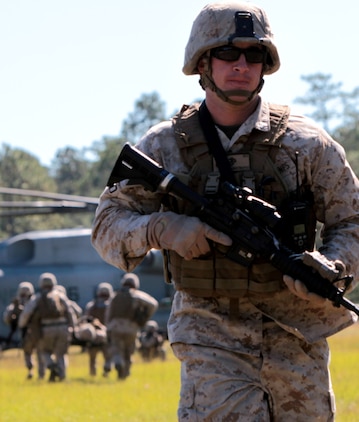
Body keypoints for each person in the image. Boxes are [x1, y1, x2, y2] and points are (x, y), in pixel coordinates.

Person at [91, 2, 359, 420]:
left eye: (254, 55)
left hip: (297, 340)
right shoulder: (165, 145)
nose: (241, 65)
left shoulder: (307, 145)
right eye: (228, 54)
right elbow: (107, 228)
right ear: (202, 63)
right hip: (209, 337)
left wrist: (333, 264)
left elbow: (352, 221)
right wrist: (163, 228)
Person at [19, 272, 77, 382]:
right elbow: (70, 311)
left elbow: (26, 313)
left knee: (44, 351)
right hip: (63, 328)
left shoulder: (37, 298)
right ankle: (62, 376)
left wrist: (22, 325)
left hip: (45, 329)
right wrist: (72, 327)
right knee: (61, 354)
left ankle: (50, 365)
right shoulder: (60, 296)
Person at [105, 273, 158, 379]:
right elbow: (154, 304)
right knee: (128, 352)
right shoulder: (137, 295)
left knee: (117, 349)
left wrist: (108, 328)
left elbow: (108, 314)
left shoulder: (114, 296)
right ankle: (125, 374)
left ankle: (118, 362)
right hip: (131, 327)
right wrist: (144, 316)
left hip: (115, 326)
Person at [3, 281, 45, 379]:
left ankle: (34, 372)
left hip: (29, 332)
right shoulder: (35, 302)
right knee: (35, 353)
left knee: (31, 352)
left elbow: (7, 318)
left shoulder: (29, 303)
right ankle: (38, 373)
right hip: (33, 332)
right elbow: (7, 318)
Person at [82, 282, 113, 376]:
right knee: (108, 357)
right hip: (106, 336)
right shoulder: (111, 306)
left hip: (94, 336)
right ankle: (106, 371)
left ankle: (93, 374)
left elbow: (86, 320)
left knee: (92, 359)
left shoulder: (91, 306)